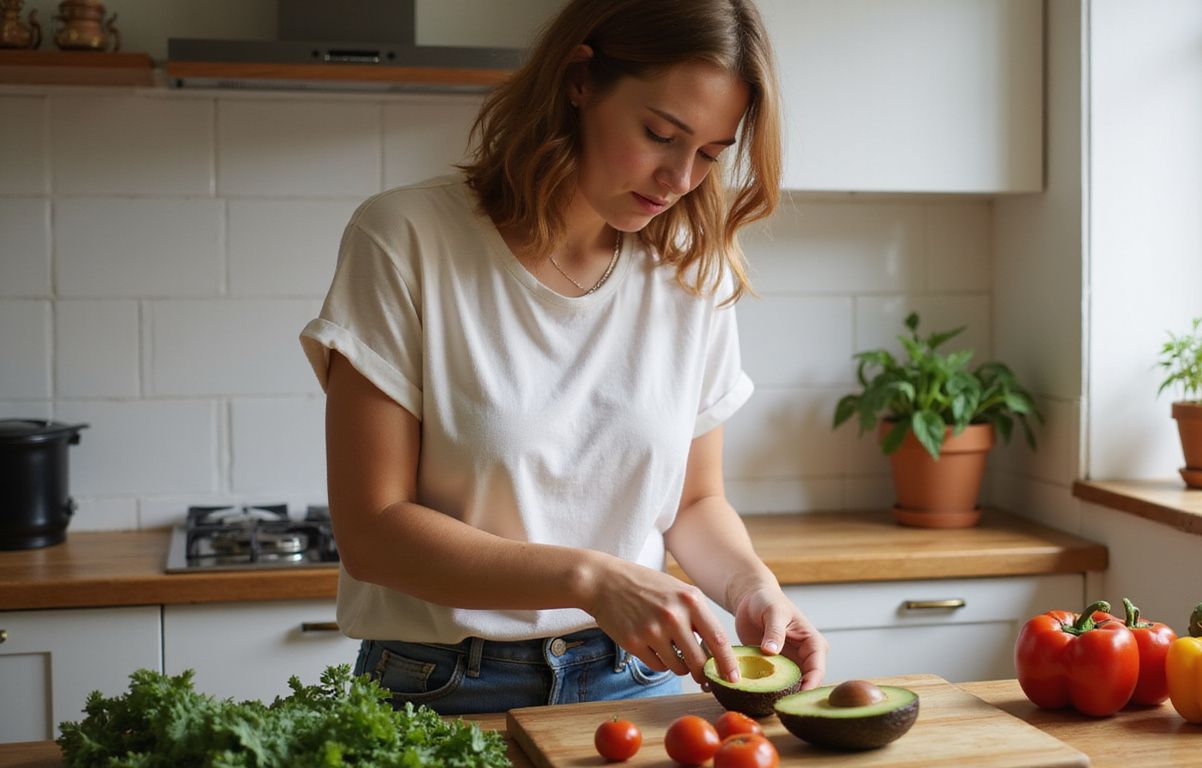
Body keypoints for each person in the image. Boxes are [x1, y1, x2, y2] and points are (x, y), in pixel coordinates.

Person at [299, 0, 826, 715]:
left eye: (709, 153)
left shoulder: (692, 269)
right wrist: (592, 580)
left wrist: (752, 587)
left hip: (641, 679)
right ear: (580, 80)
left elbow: (695, 502)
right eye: (660, 134)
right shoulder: (405, 238)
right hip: (442, 687)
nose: (680, 178)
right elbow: (373, 531)